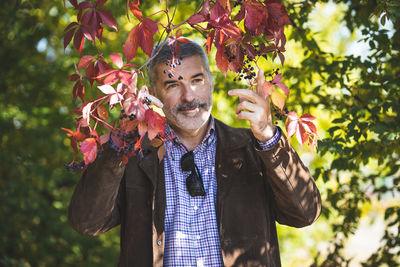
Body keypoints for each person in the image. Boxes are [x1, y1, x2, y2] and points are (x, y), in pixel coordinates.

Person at [68, 39, 321, 267]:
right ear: (153, 94)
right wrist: (121, 140)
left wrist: (268, 135)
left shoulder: (253, 149)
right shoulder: (132, 155)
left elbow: (305, 213)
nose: (189, 96)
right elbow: (86, 222)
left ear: (210, 83)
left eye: (197, 80)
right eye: (172, 84)